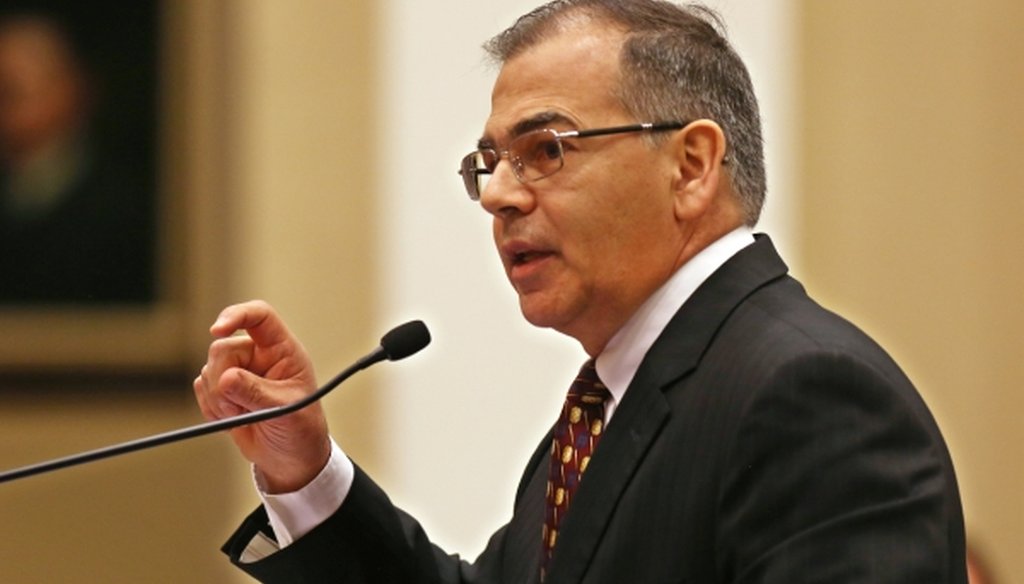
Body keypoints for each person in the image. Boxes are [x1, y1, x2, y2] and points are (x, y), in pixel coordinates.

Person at [194, 1, 968, 582]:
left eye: (545, 149)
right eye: (488, 162)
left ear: (692, 166)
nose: (498, 193)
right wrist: (306, 470)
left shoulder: (808, 395)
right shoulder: (609, 401)